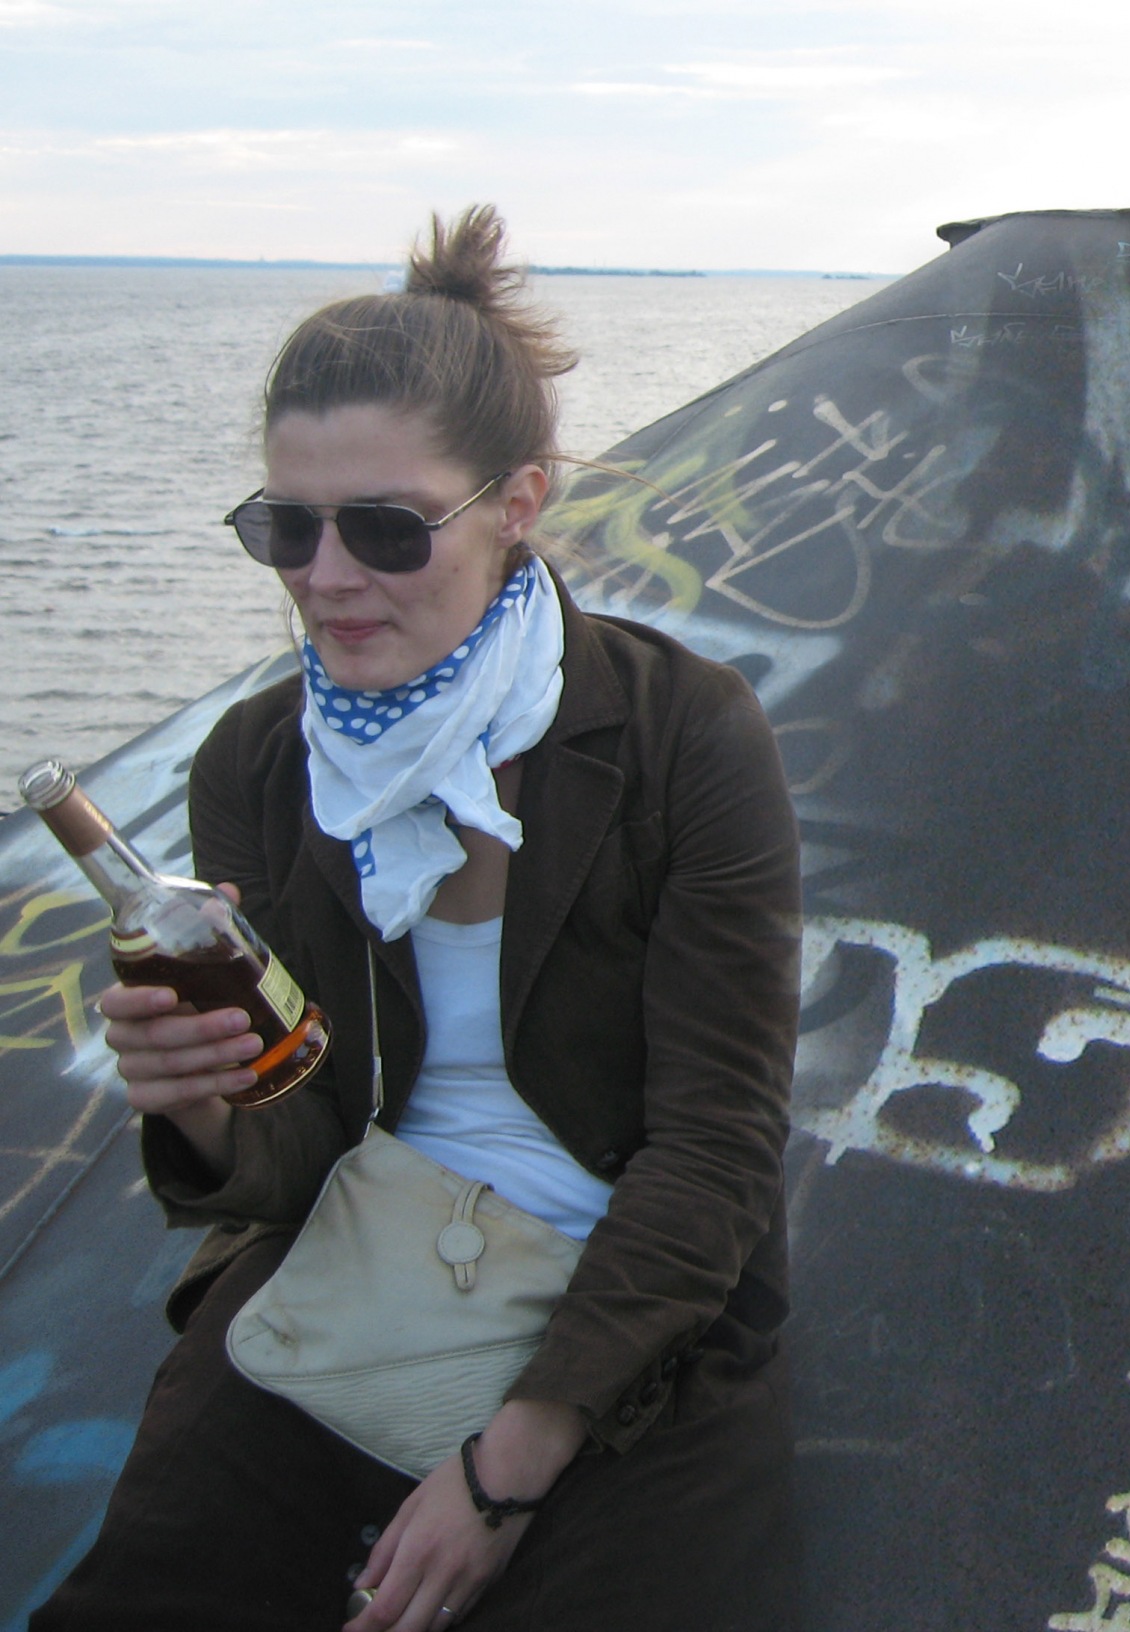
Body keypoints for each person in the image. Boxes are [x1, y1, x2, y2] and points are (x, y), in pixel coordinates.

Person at [35, 207, 804, 1632]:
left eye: (386, 529)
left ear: (518, 503)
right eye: (287, 526)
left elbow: (715, 1150)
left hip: (632, 1304)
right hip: (361, 1250)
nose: (326, 577)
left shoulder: (680, 735)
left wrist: (506, 1466)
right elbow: (302, 1144)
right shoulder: (262, 765)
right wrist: (201, 1106)